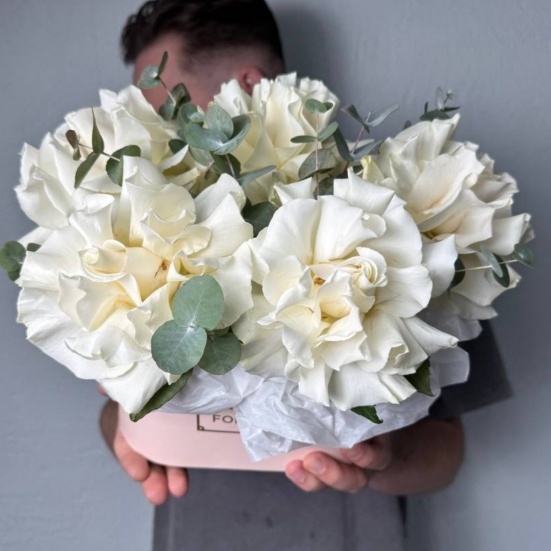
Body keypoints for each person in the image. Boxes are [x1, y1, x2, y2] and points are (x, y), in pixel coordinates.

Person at [100, 1, 512, 549]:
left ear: (246, 85)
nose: (156, 132)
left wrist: (377, 455)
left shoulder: (400, 214)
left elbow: (447, 451)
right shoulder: (148, 226)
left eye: (165, 105)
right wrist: (127, 432)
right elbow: (110, 402)